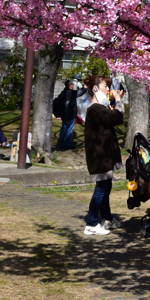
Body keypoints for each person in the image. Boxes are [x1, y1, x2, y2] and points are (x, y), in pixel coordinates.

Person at [83, 74, 124, 235]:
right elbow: (117, 118)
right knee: (102, 189)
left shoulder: (98, 108)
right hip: (100, 156)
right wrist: (118, 100)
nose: (108, 89)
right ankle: (91, 223)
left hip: (102, 155)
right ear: (95, 88)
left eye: (108, 86)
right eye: (105, 86)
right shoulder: (96, 109)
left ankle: (107, 219)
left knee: (105, 188)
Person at [53, 79, 84, 150]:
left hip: (64, 114)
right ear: (70, 86)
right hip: (71, 114)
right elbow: (81, 92)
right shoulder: (72, 93)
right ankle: (67, 144)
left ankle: (61, 143)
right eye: (72, 85)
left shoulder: (62, 93)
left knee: (63, 128)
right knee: (69, 129)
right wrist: (83, 88)